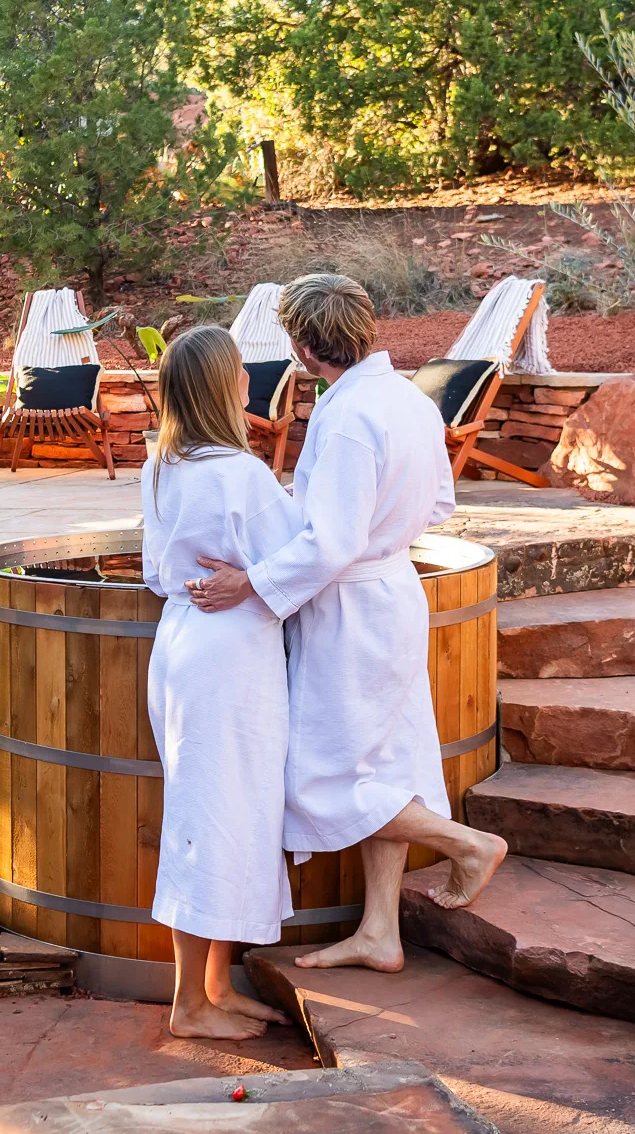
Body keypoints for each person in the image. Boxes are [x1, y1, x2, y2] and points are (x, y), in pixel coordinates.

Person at [188, 273, 507, 973]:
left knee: (321, 779)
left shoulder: (347, 417)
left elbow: (330, 542)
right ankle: (380, 931)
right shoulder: (408, 399)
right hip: (392, 590)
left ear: (304, 346)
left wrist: (252, 581)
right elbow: (440, 504)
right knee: (382, 764)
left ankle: (467, 843)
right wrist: (376, 533)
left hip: (350, 610)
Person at [139, 325, 302, 1038]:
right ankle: (189, 1005)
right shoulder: (241, 474)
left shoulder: (162, 464)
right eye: (238, 372)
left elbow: (153, 571)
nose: (247, 382)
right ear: (220, 388)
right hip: (229, 660)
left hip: (180, 641)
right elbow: (301, 554)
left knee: (219, 814)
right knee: (211, 821)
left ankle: (214, 983)